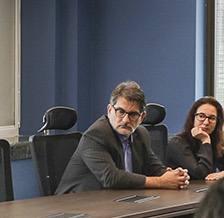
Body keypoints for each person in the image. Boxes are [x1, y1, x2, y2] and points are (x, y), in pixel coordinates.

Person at [55, 81, 189, 194]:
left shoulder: (141, 134)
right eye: (120, 112)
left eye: (133, 114)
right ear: (109, 110)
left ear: (142, 117)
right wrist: (161, 182)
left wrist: (175, 176)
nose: (125, 120)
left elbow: (153, 167)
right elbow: (111, 177)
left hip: (114, 201)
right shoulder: (96, 134)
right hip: (76, 206)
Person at [164, 95, 224, 183]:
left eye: (212, 118)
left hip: (203, 191)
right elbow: (200, 173)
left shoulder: (214, 142)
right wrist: (205, 141)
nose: (206, 122)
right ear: (193, 118)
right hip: (182, 193)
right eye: (201, 116)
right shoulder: (178, 142)